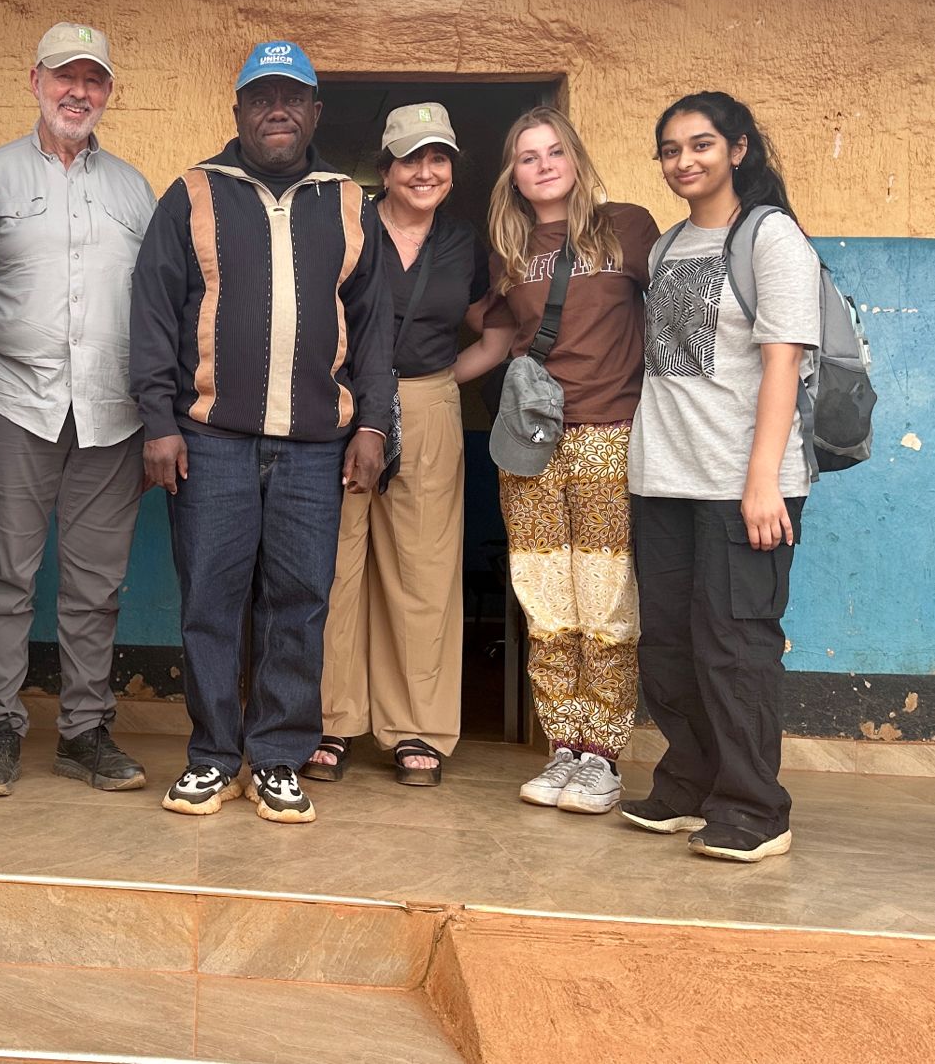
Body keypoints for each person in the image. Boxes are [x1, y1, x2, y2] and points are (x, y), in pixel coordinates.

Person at [130, 40, 395, 824]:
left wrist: (373, 425)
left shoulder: (349, 202)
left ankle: (278, 756)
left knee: (299, 601)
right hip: (209, 438)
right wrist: (157, 422)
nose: (275, 110)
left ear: (314, 112)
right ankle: (212, 755)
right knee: (210, 601)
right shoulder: (192, 193)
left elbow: (376, 329)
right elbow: (150, 315)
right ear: (237, 110)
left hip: (316, 446)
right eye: (260, 98)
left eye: (291, 97)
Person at [0, 22, 156, 797]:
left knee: (95, 584)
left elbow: (160, 302)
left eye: (94, 80)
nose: (79, 92)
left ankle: (84, 730)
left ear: (107, 92)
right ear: (33, 79)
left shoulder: (134, 188)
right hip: (13, 401)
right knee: (6, 576)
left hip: (112, 410)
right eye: (65, 77)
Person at [620, 92, 819, 863]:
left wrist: (763, 479)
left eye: (700, 145)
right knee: (667, 644)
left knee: (734, 644)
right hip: (663, 479)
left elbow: (781, 363)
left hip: (745, 482)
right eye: (670, 150)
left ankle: (754, 807)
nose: (684, 161)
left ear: (737, 149)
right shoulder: (667, 247)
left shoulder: (768, 237)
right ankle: (688, 782)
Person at [457, 106, 658, 813]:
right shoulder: (507, 249)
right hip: (530, 440)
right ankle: (563, 745)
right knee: (543, 596)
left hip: (609, 432)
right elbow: (497, 339)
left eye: (553, 151)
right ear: (512, 173)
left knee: (603, 598)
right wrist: (417, 386)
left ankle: (602, 753)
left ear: (575, 157)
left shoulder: (626, 227)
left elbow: (667, 324)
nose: (541, 164)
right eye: (525, 155)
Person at [303, 103, 487, 786]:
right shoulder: (348, 229)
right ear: (384, 168)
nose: (424, 171)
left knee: (422, 567)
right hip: (344, 404)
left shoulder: (464, 243)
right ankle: (331, 720)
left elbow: (492, 329)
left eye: (437, 158)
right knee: (336, 562)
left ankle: (417, 727)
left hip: (429, 403)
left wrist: (440, 383)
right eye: (410, 158)